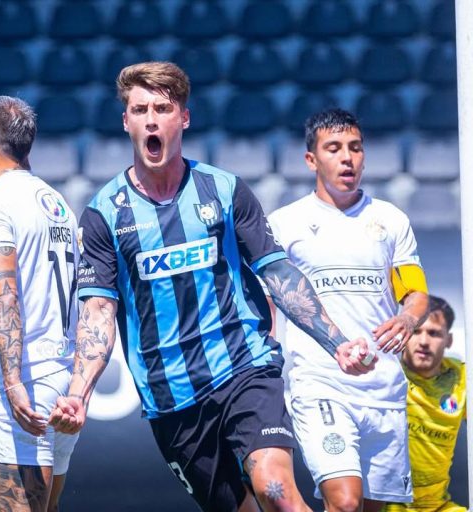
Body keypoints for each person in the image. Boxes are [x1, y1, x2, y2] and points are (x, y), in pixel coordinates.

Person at [48, 61, 374, 512]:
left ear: (183, 117)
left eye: (162, 108)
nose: (151, 119)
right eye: (139, 109)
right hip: (172, 399)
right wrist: (79, 394)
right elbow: (98, 316)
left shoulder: (223, 190)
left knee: (275, 490)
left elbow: (277, 272)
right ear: (126, 121)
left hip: (243, 368)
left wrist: (336, 342)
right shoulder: (105, 214)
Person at [266, 108, 429, 512]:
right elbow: (268, 302)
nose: (347, 158)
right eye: (334, 148)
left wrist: (408, 318)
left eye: (355, 148)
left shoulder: (390, 220)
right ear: (311, 160)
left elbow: (417, 294)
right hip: (321, 384)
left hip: (384, 390)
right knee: (344, 502)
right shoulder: (286, 224)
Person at [0, 95, 80, 512]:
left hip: (24, 384)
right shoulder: (59, 205)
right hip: (62, 380)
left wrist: (12, 381)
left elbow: (3, 290)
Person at [385, 295, 465, 512]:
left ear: (448, 340)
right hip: (386, 504)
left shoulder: (462, 377)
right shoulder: (384, 374)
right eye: (417, 331)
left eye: (434, 333)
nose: (423, 341)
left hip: (437, 506)